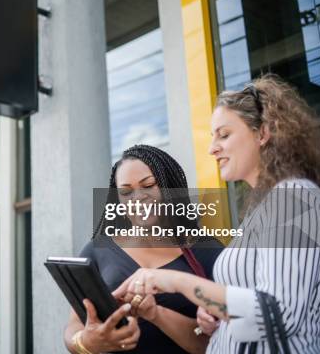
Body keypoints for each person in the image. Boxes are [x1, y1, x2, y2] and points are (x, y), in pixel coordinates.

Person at [115, 75, 320, 353]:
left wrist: (175, 281)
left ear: (262, 133)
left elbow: (279, 317)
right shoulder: (263, 209)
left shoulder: (293, 197)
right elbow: (255, 305)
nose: (212, 148)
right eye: (213, 137)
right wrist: (217, 316)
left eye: (224, 134)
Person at [64, 144, 223, 354]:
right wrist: (85, 342)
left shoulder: (208, 252)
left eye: (148, 185)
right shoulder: (99, 250)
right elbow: (74, 325)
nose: (137, 198)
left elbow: (215, 343)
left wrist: (156, 313)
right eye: (126, 191)